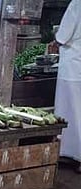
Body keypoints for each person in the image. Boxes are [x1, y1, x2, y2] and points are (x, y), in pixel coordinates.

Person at [54, 0, 81, 173]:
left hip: (73, 67)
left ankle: (69, 153)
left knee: (71, 110)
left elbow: (63, 35)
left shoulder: (77, 4)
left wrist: (56, 38)